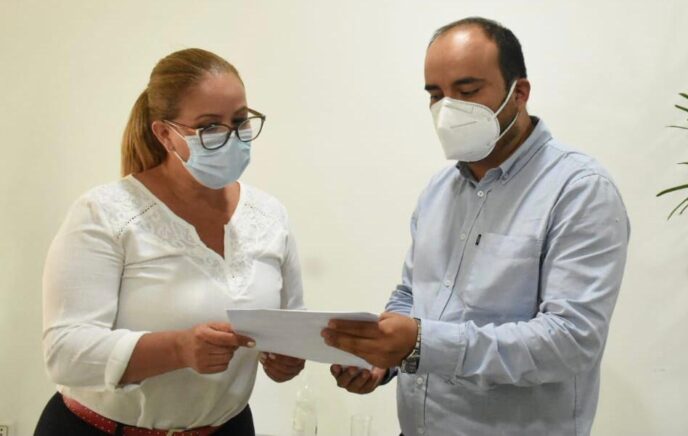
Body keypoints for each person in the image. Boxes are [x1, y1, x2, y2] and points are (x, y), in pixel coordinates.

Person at [322, 17, 630, 436]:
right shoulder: (438, 191)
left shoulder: (579, 190)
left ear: (519, 93)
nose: (448, 110)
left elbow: (571, 341)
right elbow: (413, 294)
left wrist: (420, 344)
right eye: (436, 95)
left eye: (467, 92)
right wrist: (382, 358)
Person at [36, 48, 305, 436]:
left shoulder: (270, 215)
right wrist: (178, 349)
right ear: (165, 134)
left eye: (240, 120)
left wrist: (286, 357)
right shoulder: (105, 213)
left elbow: (291, 324)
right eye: (210, 126)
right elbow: (65, 353)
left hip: (227, 428)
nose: (232, 137)